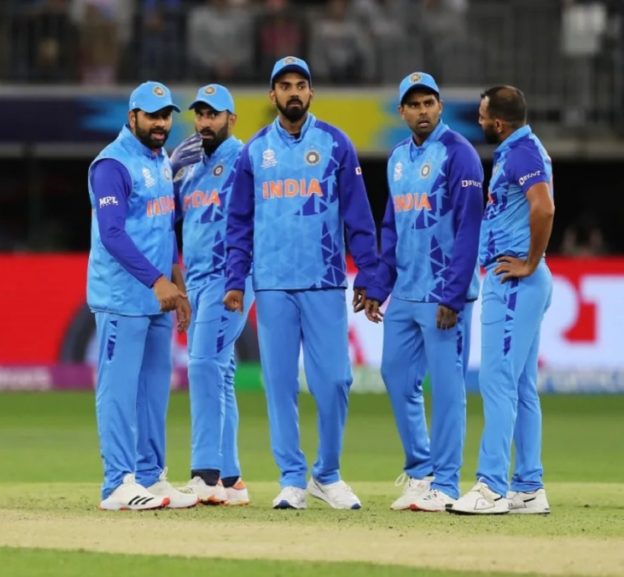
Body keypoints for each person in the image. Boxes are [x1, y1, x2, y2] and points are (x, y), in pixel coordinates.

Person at [224, 56, 379, 510]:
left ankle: (326, 474)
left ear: (311, 93)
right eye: (285, 86)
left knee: (335, 381)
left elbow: (359, 216)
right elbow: (238, 223)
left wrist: (369, 274)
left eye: (300, 85)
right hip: (272, 284)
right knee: (279, 384)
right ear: (272, 95)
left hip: (324, 280)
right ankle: (292, 478)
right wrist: (236, 278)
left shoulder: (335, 143)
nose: (293, 92)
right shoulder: (254, 151)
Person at [363, 72, 483, 512]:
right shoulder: (397, 158)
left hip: (443, 296)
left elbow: (469, 228)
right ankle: (421, 472)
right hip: (405, 294)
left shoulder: (459, 153)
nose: (422, 111)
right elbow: (391, 225)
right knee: (396, 376)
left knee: (448, 389)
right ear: (402, 112)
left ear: (440, 106)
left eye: (428, 102)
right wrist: (379, 285)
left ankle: (446, 484)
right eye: (413, 105)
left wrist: (453, 295)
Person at [88, 80, 196, 511]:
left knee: (153, 391)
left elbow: (163, 227)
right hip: (122, 298)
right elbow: (112, 234)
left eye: (166, 115)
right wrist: (157, 281)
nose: (161, 124)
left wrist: (176, 280)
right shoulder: (111, 165)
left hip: (157, 298)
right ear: (132, 116)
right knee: (118, 391)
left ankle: (151, 477)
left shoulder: (161, 161)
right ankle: (117, 483)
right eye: (152, 116)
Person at [450, 86, 555, 516]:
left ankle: (491, 486)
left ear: (497, 121)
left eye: (481, 115)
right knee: (520, 386)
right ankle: (528, 487)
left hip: (512, 282)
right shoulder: (520, 150)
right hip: (521, 281)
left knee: (496, 381)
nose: (478, 121)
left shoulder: (522, 153)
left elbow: (543, 208)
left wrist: (528, 262)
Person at [169, 84, 254, 506]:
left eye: (213, 115)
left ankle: (205, 474)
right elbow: (170, 218)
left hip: (230, 277)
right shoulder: (188, 166)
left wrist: (239, 279)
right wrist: (169, 171)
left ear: (231, 120)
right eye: (200, 114)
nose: (204, 122)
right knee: (219, 373)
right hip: (198, 278)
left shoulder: (243, 159)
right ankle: (232, 478)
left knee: (203, 365)